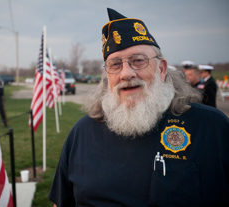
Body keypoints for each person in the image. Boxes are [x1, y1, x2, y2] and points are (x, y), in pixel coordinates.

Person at [48, 8, 229, 207]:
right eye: (115, 64)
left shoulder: (212, 128)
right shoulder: (81, 133)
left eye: (138, 61)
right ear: (107, 76)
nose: (126, 73)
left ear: (161, 69)